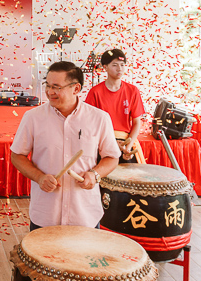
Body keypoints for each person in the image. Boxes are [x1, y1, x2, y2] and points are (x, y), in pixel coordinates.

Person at [12, 61, 122, 230]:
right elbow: (17, 155)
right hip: (45, 214)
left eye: (56, 87)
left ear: (76, 89)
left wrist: (94, 175)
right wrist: (39, 177)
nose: (50, 92)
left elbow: (112, 157)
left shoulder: (99, 118)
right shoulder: (32, 117)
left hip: (85, 214)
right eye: (47, 85)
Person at [84, 48, 146, 161]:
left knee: (131, 176)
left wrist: (128, 145)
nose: (119, 69)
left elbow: (137, 122)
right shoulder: (95, 92)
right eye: (115, 65)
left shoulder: (132, 91)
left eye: (122, 65)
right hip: (102, 142)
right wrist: (109, 142)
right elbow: (89, 124)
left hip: (125, 141)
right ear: (105, 67)